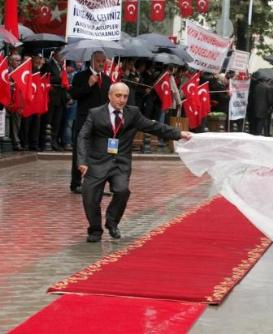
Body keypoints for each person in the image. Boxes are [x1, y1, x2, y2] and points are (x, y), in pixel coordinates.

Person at [77, 82, 192, 242]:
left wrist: (178, 133)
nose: (122, 100)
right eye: (118, 96)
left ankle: (112, 222)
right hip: (97, 162)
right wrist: (82, 161)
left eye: (125, 96)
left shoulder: (133, 113)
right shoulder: (95, 113)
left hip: (120, 163)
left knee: (122, 191)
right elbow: (83, 136)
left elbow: (154, 126)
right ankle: (95, 230)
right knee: (90, 197)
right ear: (109, 96)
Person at [69, 51, 111, 194]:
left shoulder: (106, 79)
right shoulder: (80, 76)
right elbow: (74, 94)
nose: (101, 63)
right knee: (81, 151)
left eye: (103, 61)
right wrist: (88, 84)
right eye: (98, 61)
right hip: (84, 119)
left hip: (101, 122)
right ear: (92, 61)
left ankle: (96, 184)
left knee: (99, 152)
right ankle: (76, 183)